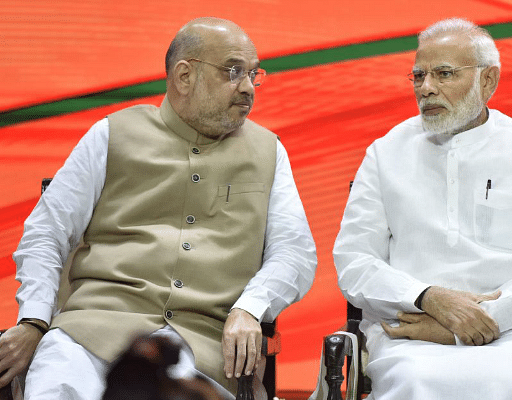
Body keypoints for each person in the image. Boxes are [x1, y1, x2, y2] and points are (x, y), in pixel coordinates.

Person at [0, 17, 317, 400]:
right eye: (234, 72)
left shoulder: (270, 152)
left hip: (202, 350)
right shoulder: (112, 134)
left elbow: (295, 252)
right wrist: (34, 320)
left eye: (253, 74)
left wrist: (250, 308)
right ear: (185, 75)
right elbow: (46, 232)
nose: (248, 87)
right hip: (89, 334)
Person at [333, 18, 512, 399]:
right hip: (412, 328)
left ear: (488, 80)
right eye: (418, 76)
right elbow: (354, 261)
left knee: (505, 383)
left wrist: (476, 322)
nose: (427, 88)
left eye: (444, 74)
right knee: (415, 382)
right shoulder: (385, 154)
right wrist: (427, 297)